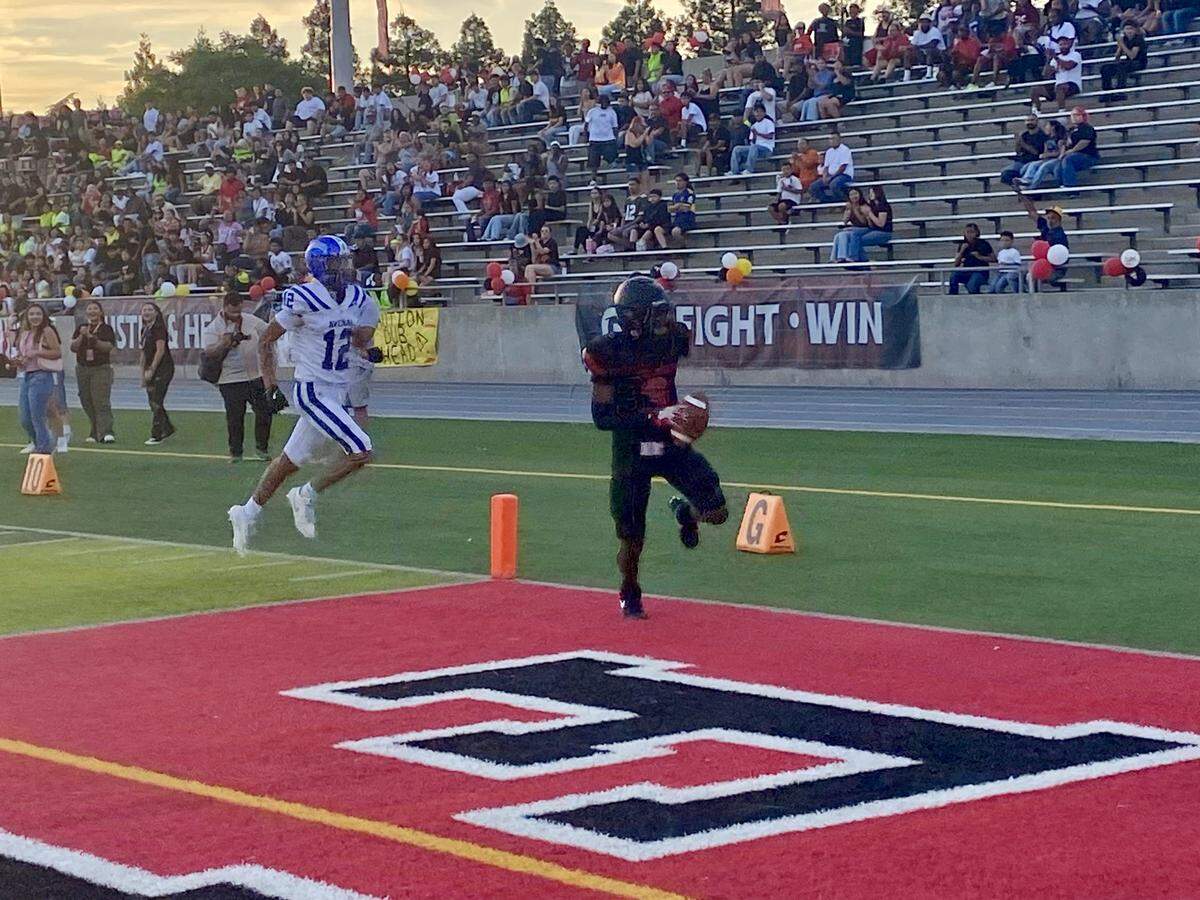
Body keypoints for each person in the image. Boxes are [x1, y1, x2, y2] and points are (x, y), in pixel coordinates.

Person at [581, 276, 728, 618]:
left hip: (670, 444)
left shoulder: (672, 340)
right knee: (631, 538)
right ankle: (629, 592)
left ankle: (686, 514)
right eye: (655, 315)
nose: (664, 322)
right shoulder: (607, 353)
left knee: (716, 510)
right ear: (633, 317)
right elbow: (602, 417)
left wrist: (682, 416)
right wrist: (653, 416)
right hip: (632, 451)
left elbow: (677, 343)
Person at [227, 236, 376, 554]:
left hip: (338, 390)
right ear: (323, 267)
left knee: (288, 461)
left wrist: (367, 345)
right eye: (339, 262)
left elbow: (361, 338)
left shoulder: (357, 296)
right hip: (312, 390)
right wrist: (270, 387)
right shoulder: (303, 297)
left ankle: (246, 512)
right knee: (361, 449)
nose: (346, 267)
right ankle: (306, 494)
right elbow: (266, 340)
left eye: (346, 261)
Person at [202, 292, 273, 463]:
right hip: (230, 379)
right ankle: (236, 452)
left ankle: (262, 448)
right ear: (224, 307)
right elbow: (209, 352)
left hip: (255, 375)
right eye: (232, 312)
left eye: (238, 311)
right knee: (235, 417)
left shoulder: (251, 320)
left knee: (264, 412)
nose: (236, 315)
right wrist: (224, 342)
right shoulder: (214, 327)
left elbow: (270, 331)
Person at [15, 304, 60, 456]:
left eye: (38, 314)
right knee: (25, 418)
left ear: (43, 316)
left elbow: (57, 353)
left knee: (37, 415)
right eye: (32, 314)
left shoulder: (47, 331)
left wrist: (37, 352)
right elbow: (24, 355)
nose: (35, 317)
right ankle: (39, 443)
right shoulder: (25, 333)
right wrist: (20, 360)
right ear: (27, 316)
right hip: (26, 375)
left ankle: (44, 449)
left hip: (41, 375)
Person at [70, 299, 116, 444]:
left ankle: (107, 431)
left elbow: (108, 347)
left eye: (95, 309)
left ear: (101, 312)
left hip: (100, 368)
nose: (92, 312)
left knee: (101, 400)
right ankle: (95, 430)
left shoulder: (106, 329)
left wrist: (92, 338)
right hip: (83, 368)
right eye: (89, 309)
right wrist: (82, 336)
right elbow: (73, 347)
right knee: (86, 400)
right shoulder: (81, 328)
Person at [139, 302, 175, 445]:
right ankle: (167, 427)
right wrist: (142, 373)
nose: (146, 312)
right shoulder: (145, 329)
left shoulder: (159, 329)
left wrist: (152, 369)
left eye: (150, 309)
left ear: (156, 313)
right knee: (152, 400)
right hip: (150, 367)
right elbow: (143, 353)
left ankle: (156, 434)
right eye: (144, 309)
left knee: (156, 400)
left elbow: (160, 350)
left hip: (163, 368)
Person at [1032, 37, 1082, 111]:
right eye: (1061, 44)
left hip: (1073, 84)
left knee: (1060, 87)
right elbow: (1046, 74)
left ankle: (1062, 112)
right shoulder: (1056, 58)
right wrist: (1048, 59)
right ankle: (1037, 112)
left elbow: (1068, 66)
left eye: (1065, 44)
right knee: (1035, 90)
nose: (1063, 46)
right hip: (1057, 86)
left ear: (1069, 45)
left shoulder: (1075, 54)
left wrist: (1055, 57)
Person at [1101, 23, 1147, 99]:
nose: (1129, 31)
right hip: (1127, 62)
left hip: (1139, 62)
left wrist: (1122, 44)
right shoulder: (1124, 39)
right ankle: (1107, 92)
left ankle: (1120, 91)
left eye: (1131, 29)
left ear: (1135, 30)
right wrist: (1120, 45)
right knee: (1105, 68)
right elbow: (1117, 57)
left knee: (1122, 67)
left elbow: (1132, 56)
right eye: (1127, 29)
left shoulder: (1138, 39)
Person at [949, 223, 996, 294]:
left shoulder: (983, 244)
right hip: (967, 271)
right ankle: (952, 295)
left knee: (972, 285)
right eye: (967, 232)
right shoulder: (963, 245)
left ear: (976, 232)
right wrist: (962, 251)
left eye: (972, 232)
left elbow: (993, 259)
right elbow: (956, 264)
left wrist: (980, 257)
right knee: (954, 275)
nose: (969, 234)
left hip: (980, 272)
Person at [729, 105, 775, 175]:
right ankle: (734, 171)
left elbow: (771, 136)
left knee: (754, 147)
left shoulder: (768, 122)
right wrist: (754, 136)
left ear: (764, 113)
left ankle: (749, 169)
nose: (758, 114)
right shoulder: (753, 125)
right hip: (755, 149)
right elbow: (752, 141)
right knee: (737, 149)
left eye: (760, 112)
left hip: (767, 149)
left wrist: (758, 134)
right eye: (756, 112)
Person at [1000, 116, 1046, 186]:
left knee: (1009, 173)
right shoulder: (1024, 135)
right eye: (1027, 120)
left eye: (1032, 120)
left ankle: (1022, 191)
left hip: (1033, 161)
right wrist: (1017, 142)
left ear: (1037, 121)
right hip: (1022, 160)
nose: (1029, 122)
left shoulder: (1042, 135)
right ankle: (1019, 190)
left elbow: (1036, 152)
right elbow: (1018, 152)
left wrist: (1022, 142)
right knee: (1005, 173)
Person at [811, 130, 854, 203]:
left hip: (844, 175)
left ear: (839, 139)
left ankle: (844, 201)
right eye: (830, 139)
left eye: (834, 138)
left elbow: (843, 167)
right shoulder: (828, 151)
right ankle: (830, 201)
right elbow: (826, 167)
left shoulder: (845, 150)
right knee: (814, 187)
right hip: (830, 176)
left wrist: (832, 177)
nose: (832, 141)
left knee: (834, 185)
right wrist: (825, 177)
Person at [669, 173, 697, 242]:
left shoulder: (689, 193)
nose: (677, 183)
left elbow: (686, 208)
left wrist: (677, 206)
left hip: (688, 218)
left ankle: (684, 246)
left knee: (675, 232)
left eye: (680, 181)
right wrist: (677, 206)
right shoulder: (675, 195)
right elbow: (670, 209)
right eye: (676, 181)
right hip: (678, 218)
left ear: (685, 182)